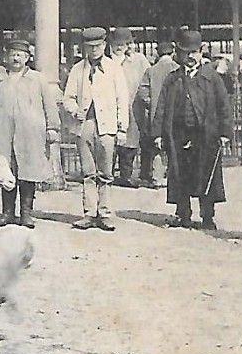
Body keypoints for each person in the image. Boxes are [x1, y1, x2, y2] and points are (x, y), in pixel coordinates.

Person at [0, 39, 60, 229]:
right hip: (3, 133)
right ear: (7, 57)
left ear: (27, 58)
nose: (16, 58)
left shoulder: (38, 79)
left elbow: (49, 106)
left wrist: (52, 127)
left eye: (20, 55)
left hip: (30, 134)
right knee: (6, 171)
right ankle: (7, 213)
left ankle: (26, 213)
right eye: (12, 54)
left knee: (27, 172)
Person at [152, 30, 232, 230]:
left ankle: (207, 216)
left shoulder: (211, 77)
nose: (190, 57)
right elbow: (161, 106)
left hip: (205, 136)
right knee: (180, 175)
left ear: (201, 52)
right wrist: (158, 134)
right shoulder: (173, 78)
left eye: (194, 52)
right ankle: (183, 214)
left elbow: (224, 106)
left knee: (206, 175)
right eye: (186, 52)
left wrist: (224, 133)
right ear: (178, 53)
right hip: (178, 135)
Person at [63, 27, 131, 231]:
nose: (93, 50)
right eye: (89, 47)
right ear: (84, 47)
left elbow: (122, 99)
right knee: (88, 172)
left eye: (97, 46)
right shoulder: (78, 70)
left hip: (108, 126)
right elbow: (68, 98)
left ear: (104, 45)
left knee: (106, 173)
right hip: (85, 125)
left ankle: (105, 213)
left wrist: (122, 129)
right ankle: (89, 213)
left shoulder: (113, 68)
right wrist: (75, 110)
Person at [109, 27, 151, 187]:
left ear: (129, 45)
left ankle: (127, 175)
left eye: (124, 44)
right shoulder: (107, 61)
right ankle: (109, 174)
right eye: (116, 44)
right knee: (110, 141)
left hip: (133, 107)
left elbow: (148, 78)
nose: (119, 47)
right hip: (111, 106)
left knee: (131, 141)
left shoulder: (139, 61)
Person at [135, 40, 179, 187]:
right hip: (175, 114)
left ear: (157, 54)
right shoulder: (177, 68)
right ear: (172, 53)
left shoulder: (151, 70)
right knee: (175, 147)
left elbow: (142, 91)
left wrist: (151, 102)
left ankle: (157, 178)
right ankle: (175, 177)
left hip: (155, 115)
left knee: (157, 148)